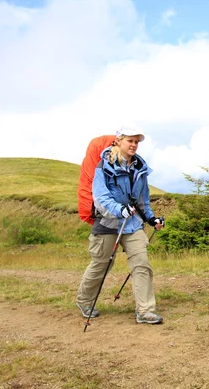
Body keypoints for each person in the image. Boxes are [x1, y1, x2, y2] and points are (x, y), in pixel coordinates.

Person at [76, 127, 165, 324]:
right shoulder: (104, 165)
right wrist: (118, 209)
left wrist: (152, 219)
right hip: (108, 222)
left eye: (136, 142)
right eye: (130, 141)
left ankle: (145, 311)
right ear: (119, 141)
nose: (134, 145)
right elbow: (100, 197)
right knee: (101, 264)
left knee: (141, 264)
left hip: (132, 224)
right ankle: (84, 300)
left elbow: (143, 200)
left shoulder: (139, 168)